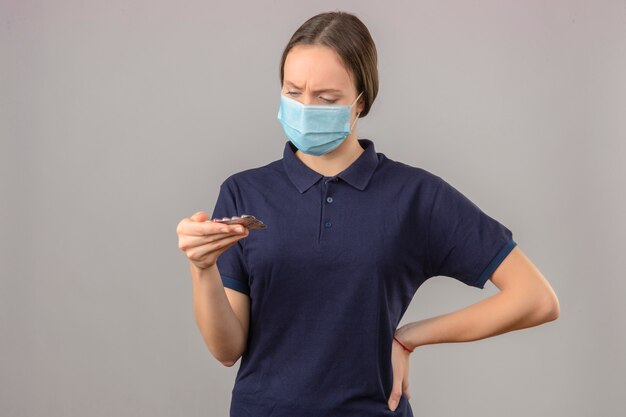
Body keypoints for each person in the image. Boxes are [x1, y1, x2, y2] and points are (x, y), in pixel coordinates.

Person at [176, 10, 560, 417]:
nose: (306, 107)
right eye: (293, 92)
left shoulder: (414, 196)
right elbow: (226, 350)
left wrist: (411, 336)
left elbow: (536, 299)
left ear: (361, 101)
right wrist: (202, 269)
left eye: (326, 99)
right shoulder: (244, 192)